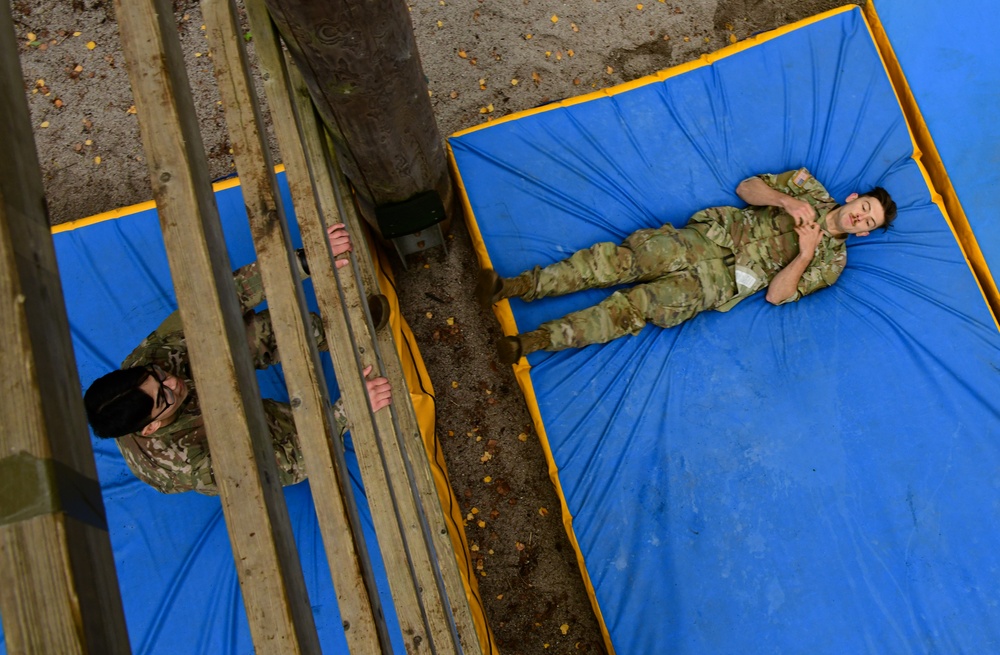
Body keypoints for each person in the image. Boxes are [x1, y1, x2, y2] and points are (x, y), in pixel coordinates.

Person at [84, 223, 393, 495]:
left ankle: (333, 333)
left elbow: (220, 303)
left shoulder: (151, 359)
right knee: (281, 430)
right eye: (163, 393)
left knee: (251, 334)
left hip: (193, 395)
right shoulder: (185, 461)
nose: (172, 380)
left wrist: (304, 260)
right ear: (150, 428)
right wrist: (346, 412)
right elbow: (279, 468)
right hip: (211, 439)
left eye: (157, 374)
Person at [478, 168, 897, 363]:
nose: (860, 217)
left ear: (863, 233)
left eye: (868, 221)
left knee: (634, 308)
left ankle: (534, 342)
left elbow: (776, 296)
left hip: (718, 284)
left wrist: (806, 252)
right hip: (702, 240)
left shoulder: (832, 263)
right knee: (617, 262)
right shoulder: (808, 187)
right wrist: (787, 201)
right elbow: (746, 187)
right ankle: (516, 287)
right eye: (864, 207)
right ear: (853, 197)